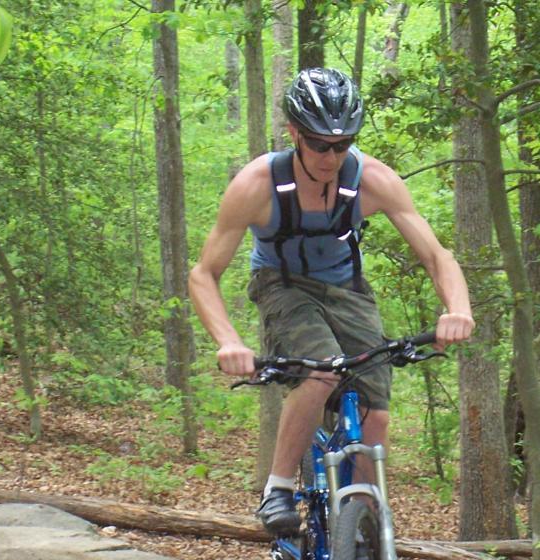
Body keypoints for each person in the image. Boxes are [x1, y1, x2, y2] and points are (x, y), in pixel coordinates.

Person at [188, 67, 474, 534]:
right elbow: (203, 274)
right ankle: (277, 489)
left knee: (375, 410)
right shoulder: (257, 184)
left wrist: (458, 309)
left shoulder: (373, 180)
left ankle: (360, 534)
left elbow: (436, 255)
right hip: (282, 285)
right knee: (321, 370)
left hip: (348, 290)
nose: (331, 155)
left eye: (342, 145)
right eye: (320, 143)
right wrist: (228, 341)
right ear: (295, 133)